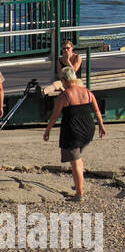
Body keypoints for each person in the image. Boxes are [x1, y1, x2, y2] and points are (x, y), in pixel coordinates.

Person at [42, 68, 107, 202]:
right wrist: (101, 126)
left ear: (64, 80)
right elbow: (97, 111)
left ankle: (79, 194)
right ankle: (79, 184)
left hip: (73, 131)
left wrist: (47, 130)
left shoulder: (64, 96)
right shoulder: (87, 92)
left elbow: (54, 117)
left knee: (75, 162)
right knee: (78, 159)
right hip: (88, 130)